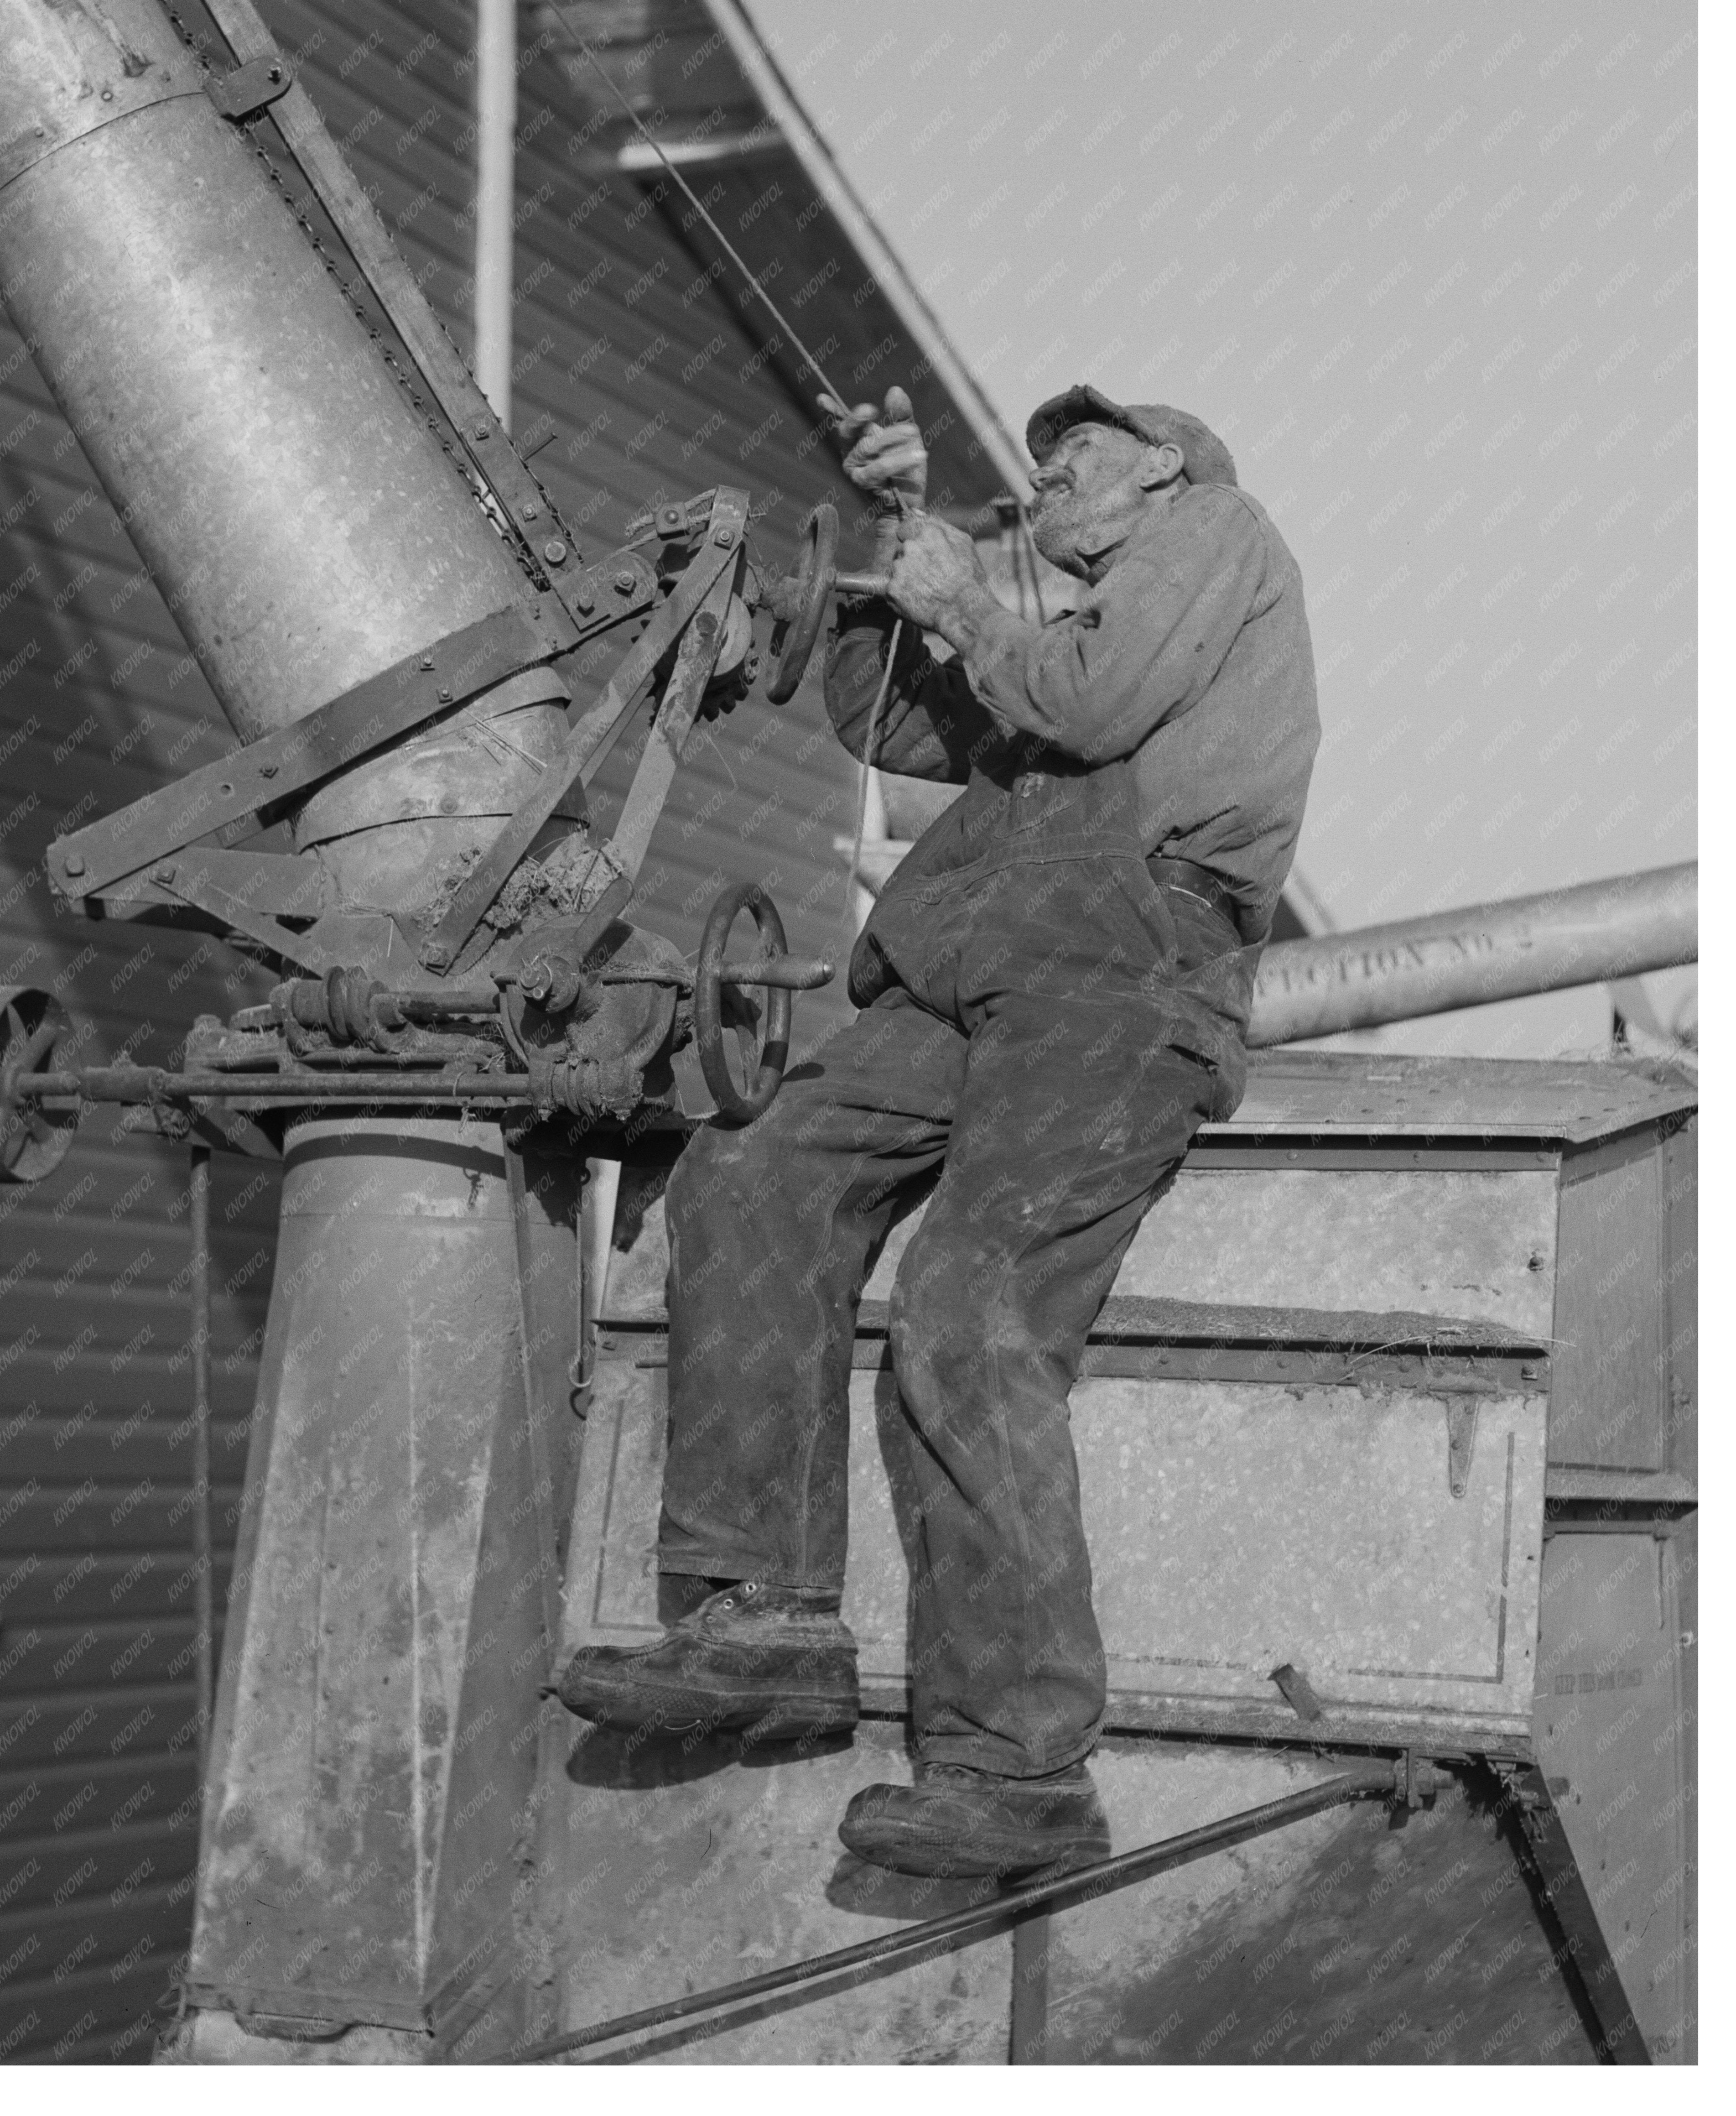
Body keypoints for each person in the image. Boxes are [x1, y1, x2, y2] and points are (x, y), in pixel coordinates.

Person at [556, 381, 1320, 1878]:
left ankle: (1015, 1765)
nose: (1044, 483)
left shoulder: (1214, 534)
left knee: (968, 1315)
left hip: (1121, 972)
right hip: (962, 967)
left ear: (1160, 465)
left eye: (1075, 458)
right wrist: (896, 548)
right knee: (755, 1163)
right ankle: (760, 1621)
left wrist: (968, 589)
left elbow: (1086, 704)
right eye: (1034, 468)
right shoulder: (1057, 641)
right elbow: (899, 719)